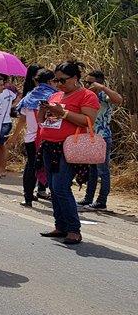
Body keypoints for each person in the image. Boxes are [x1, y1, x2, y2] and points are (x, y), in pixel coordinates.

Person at [38, 60, 99, 245]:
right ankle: (60, 225)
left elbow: (88, 120)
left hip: (69, 147)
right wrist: (44, 110)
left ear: (75, 78)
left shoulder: (87, 96)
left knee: (61, 188)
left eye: (62, 80)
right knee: (54, 188)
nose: (59, 84)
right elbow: (43, 120)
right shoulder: (56, 96)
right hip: (49, 146)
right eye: (56, 81)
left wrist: (63, 113)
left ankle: (74, 229)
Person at [79, 70, 123, 210]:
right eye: (86, 82)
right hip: (89, 136)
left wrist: (102, 88)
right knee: (92, 169)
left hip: (102, 137)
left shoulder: (104, 95)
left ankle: (101, 201)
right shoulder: (86, 96)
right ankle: (88, 198)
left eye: (90, 82)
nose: (87, 85)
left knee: (103, 170)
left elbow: (119, 100)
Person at [14, 67, 55, 207]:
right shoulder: (55, 96)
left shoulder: (29, 97)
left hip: (30, 138)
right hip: (49, 137)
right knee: (52, 167)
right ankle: (56, 197)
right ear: (50, 81)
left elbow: (22, 117)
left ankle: (28, 198)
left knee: (30, 167)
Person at [0, 74, 18, 177]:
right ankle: (2, 170)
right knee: (3, 146)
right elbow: (16, 99)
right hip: (8, 122)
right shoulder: (11, 93)